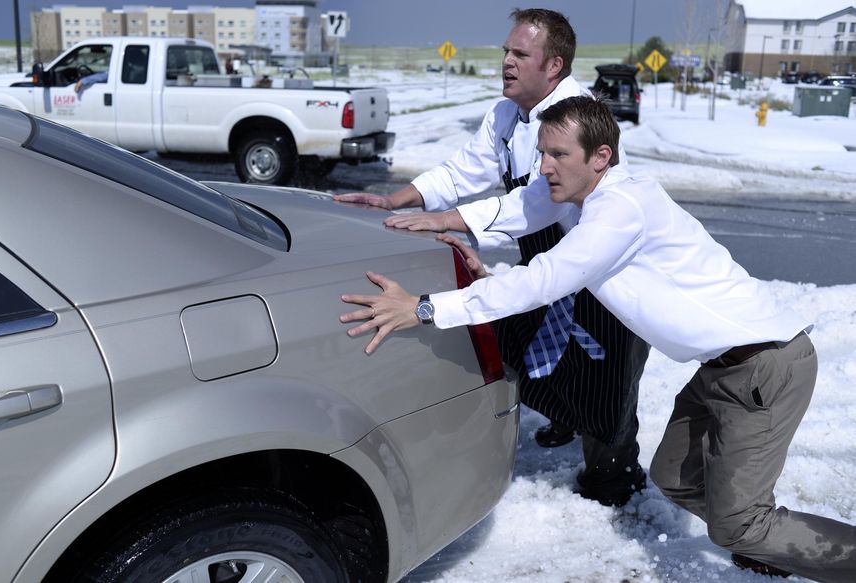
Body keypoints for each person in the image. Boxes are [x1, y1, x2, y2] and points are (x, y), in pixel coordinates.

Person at [341, 95, 856, 582]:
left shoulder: (621, 209)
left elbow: (548, 277)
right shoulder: (590, 201)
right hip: (721, 368)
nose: (543, 166)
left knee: (737, 522)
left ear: (600, 156)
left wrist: (425, 308)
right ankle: (762, 534)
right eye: (542, 152)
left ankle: (772, 538)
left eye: (558, 154)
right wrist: (475, 268)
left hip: (765, 365)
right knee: (675, 475)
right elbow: (530, 239)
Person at [335, 8, 650, 507]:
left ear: (554, 66)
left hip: (600, 269)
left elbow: (540, 203)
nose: (505, 61)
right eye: (506, 50)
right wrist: (400, 199)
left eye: (520, 54)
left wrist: (448, 220)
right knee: (531, 349)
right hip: (546, 258)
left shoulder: (576, 117)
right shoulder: (506, 115)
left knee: (606, 378)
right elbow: (465, 170)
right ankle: (563, 419)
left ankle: (615, 480)